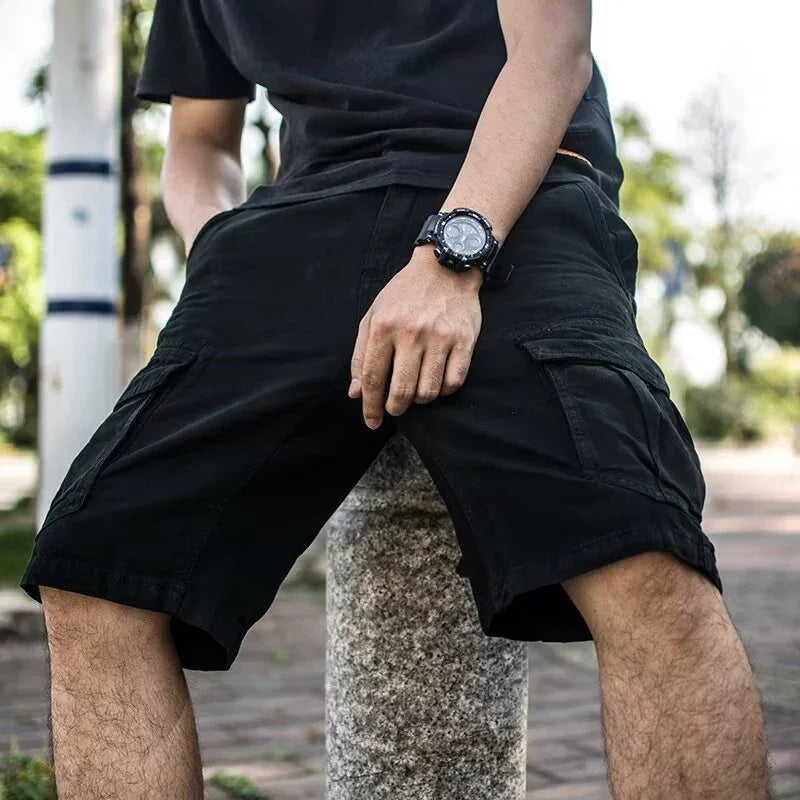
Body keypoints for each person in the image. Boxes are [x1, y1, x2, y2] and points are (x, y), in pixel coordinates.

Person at [20, 1, 773, 797]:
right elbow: (199, 143)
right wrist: (220, 248)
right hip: (294, 224)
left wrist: (453, 254)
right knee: (90, 573)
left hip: (519, 192)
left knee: (645, 560)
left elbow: (553, 49)